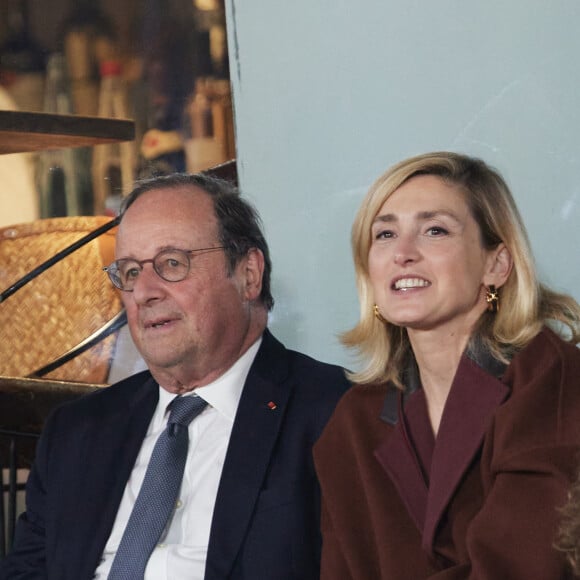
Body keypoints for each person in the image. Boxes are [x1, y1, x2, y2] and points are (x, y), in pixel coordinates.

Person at [0, 172, 351, 580]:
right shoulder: (77, 431)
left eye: (171, 264)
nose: (145, 291)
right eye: (130, 272)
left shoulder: (336, 414)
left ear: (248, 274)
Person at [313, 151, 580, 579]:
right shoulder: (354, 421)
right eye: (384, 235)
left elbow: (525, 567)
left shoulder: (550, 378)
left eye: (434, 230)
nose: (402, 253)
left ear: (496, 264)